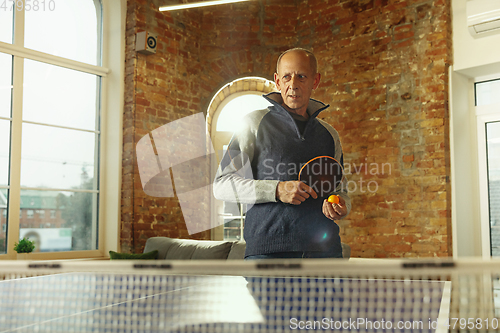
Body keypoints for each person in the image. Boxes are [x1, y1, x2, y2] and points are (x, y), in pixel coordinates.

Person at [213, 48, 351, 259]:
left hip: (325, 254)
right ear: (277, 81)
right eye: (287, 76)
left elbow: (341, 189)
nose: (293, 84)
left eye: (302, 76)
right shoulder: (252, 124)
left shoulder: (330, 135)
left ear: (315, 81)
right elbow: (222, 186)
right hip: (268, 253)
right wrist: (276, 190)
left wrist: (341, 205)